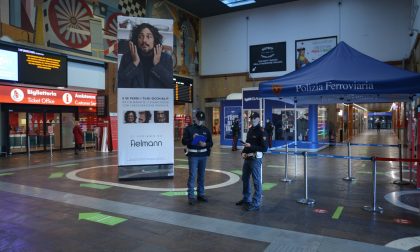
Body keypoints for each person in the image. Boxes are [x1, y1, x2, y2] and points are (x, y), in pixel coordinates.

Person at [118, 23, 173, 88]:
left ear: (154, 40)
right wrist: (134, 63)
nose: (144, 40)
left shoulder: (166, 59)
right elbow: (120, 84)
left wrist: (157, 65)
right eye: (140, 37)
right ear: (136, 40)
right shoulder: (126, 58)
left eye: (149, 37)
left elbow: (170, 84)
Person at [236, 112, 268, 211]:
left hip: (255, 159)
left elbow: (264, 148)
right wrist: (243, 152)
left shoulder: (262, 131)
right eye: (251, 118)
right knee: (245, 178)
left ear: (258, 119)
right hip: (247, 158)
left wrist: (251, 147)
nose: (252, 120)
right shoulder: (250, 130)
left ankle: (256, 202)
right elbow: (247, 144)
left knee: (256, 181)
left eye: (254, 118)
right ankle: (246, 199)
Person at [182, 111, 213, 205]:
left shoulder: (206, 130)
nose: (200, 122)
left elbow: (210, 143)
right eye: (198, 120)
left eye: (202, 120)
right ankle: (191, 196)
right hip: (193, 155)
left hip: (203, 155)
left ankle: (201, 194)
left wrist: (205, 144)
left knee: (202, 176)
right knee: (192, 175)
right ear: (195, 118)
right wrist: (192, 138)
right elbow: (184, 141)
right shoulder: (189, 129)